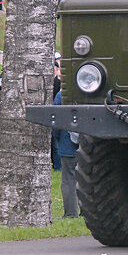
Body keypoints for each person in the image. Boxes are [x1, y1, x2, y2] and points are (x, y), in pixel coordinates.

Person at [51, 65, 79, 218]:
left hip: (67, 143)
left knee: (68, 179)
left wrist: (57, 138)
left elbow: (56, 122)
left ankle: (71, 212)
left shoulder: (61, 96)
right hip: (89, 144)